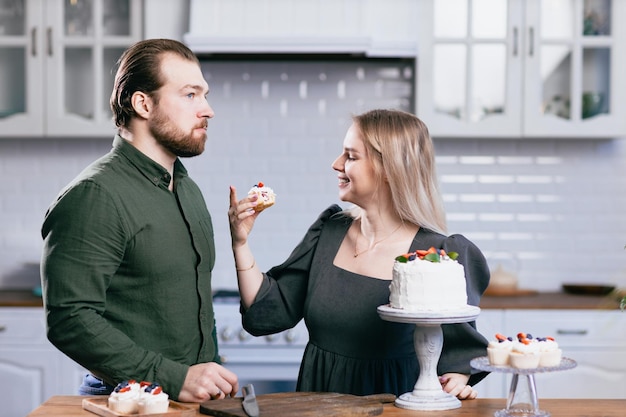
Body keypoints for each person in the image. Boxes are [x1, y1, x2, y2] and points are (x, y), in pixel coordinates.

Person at [228, 109, 490, 399]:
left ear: (389, 169)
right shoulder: (330, 231)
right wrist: (240, 243)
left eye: (351, 156)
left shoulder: (436, 256)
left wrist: (458, 375)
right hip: (318, 404)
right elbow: (270, 309)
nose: (336, 164)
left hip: (393, 405)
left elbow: (459, 350)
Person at [40, 39, 238, 403]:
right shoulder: (95, 195)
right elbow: (70, 319)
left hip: (194, 399)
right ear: (143, 104)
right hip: (130, 400)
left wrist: (206, 373)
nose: (208, 110)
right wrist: (175, 378)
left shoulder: (187, 189)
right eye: (191, 95)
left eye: (204, 95)